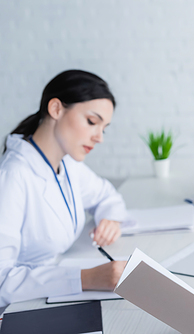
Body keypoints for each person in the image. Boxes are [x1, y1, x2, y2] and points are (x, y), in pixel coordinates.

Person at [0, 70, 128, 307]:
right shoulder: (12, 176)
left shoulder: (66, 163)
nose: (99, 137)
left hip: (51, 293)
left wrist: (110, 218)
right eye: (92, 122)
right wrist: (87, 278)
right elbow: (1, 282)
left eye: (104, 128)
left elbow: (108, 196)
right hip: (18, 307)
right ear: (56, 109)